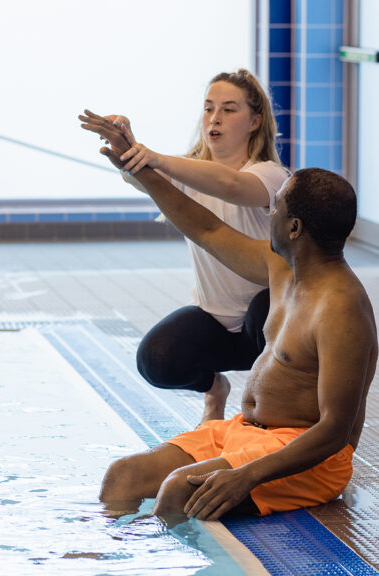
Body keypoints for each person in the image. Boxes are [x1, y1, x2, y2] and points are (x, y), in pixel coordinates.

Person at [80, 121, 377, 520]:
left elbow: (335, 432)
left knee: (176, 493)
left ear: (294, 228)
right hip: (246, 432)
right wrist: (137, 167)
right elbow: (205, 227)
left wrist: (246, 476)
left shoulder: (341, 310)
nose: (268, 213)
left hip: (308, 458)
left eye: (276, 208)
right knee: (122, 476)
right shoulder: (284, 268)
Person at [79, 69, 289, 425]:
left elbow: (232, 185)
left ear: (255, 121)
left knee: (262, 306)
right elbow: (139, 177)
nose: (215, 118)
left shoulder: (270, 176)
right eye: (208, 108)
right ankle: (213, 389)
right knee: (156, 359)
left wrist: (155, 158)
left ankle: (270, 407)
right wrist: (125, 147)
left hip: (270, 324)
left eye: (229, 109)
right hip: (216, 321)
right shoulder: (188, 173)